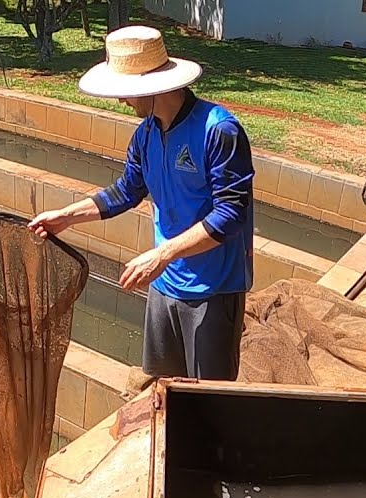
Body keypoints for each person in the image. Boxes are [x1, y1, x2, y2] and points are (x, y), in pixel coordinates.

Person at [28, 25, 255, 382]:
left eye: (127, 93)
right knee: (164, 389)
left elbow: (230, 216)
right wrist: (66, 217)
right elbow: (127, 191)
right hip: (165, 286)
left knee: (210, 401)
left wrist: (162, 254)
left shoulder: (218, 130)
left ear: (152, 88)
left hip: (213, 289)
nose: (122, 101)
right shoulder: (145, 134)